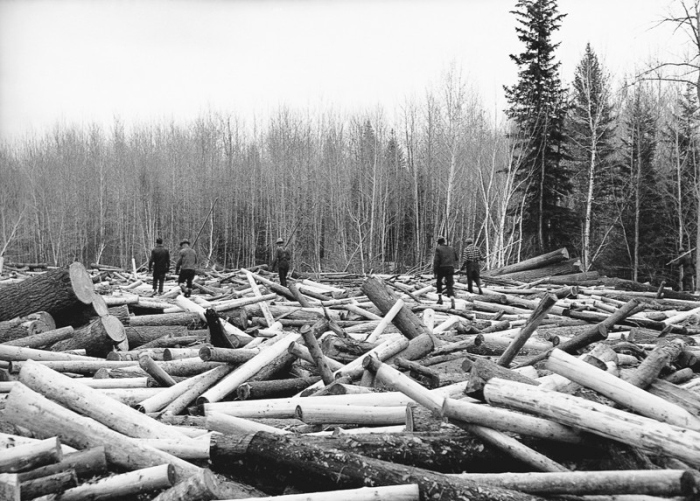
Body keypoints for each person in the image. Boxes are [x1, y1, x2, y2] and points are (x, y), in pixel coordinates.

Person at [433, 236, 458, 308]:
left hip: (441, 267)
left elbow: (436, 261)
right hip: (450, 267)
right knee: (450, 284)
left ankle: (440, 298)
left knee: (439, 282)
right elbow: (456, 258)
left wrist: (435, 271)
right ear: (444, 241)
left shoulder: (438, 249)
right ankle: (452, 298)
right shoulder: (451, 248)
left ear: (439, 243)